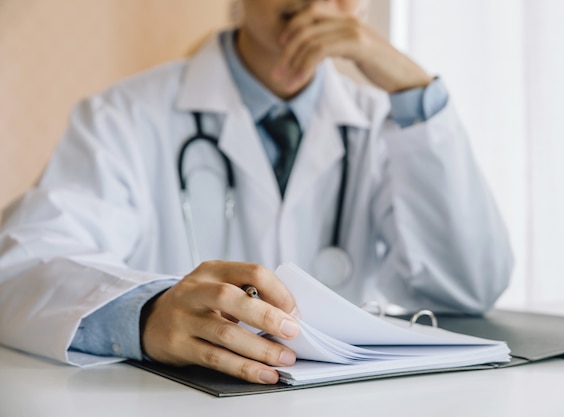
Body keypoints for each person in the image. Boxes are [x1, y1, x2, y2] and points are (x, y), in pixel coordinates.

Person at [0, 0, 513, 385]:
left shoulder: (390, 122)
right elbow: (24, 264)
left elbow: (470, 286)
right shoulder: (124, 116)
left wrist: (416, 93)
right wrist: (146, 312)